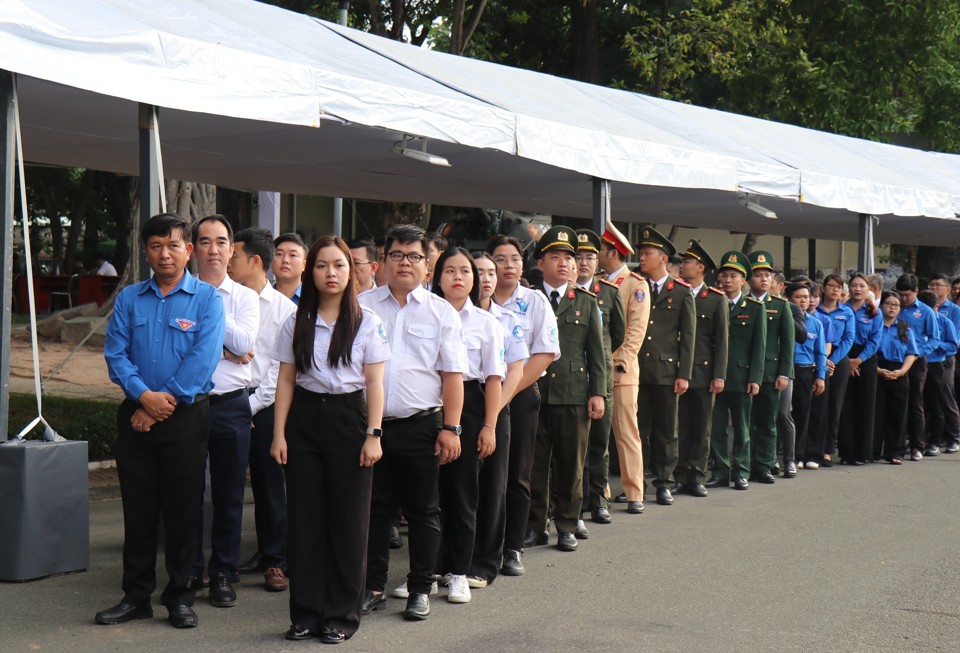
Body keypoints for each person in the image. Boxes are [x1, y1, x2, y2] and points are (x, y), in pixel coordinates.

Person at [98, 212, 224, 629]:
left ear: (188, 250)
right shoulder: (131, 298)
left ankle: (180, 596)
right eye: (156, 246)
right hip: (135, 414)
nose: (164, 253)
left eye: (173, 245)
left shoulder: (207, 299)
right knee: (138, 510)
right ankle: (135, 596)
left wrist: (158, 406)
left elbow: (202, 360)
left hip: (185, 416)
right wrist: (143, 397)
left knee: (183, 510)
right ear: (146, 251)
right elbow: (116, 354)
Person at [269, 235, 388, 643]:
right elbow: (286, 378)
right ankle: (305, 613)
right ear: (311, 271)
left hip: (349, 421)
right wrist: (279, 433)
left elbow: (376, 383)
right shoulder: (296, 321)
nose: (331, 273)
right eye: (322, 265)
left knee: (348, 522)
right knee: (305, 522)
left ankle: (341, 615)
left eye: (339, 265)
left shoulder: (367, 322)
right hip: (304, 420)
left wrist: (374, 434)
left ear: (351, 271)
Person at [360, 225, 468, 621]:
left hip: (421, 425)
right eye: (397, 255)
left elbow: (452, 375)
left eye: (414, 256)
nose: (405, 262)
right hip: (370, 426)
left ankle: (420, 587)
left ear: (428, 265)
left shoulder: (440, 312)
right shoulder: (362, 305)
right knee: (374, 508)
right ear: (382, 261)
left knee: (424, 511)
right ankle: (372, 586)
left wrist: (451, 428)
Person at [190, 215, 260, 608]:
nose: (213, 250)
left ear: (232, 249)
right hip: (189, 404)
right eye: (205, 242)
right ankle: (189, 568)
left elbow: (245, 340)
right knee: (188, 492)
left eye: (221, 242)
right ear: (193, 248)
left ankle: (223, 572)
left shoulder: (246, 297)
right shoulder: (180, 292)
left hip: (232, 404)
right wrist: (228, 350)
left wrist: (210, 308)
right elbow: (181, 348)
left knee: (230, 494)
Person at [524, 226, 606, 552]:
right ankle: (535, 526)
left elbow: (596, 353)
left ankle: (568, 525)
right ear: (540, 263)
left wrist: (598, 393)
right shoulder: (529, 299)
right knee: (535, 465)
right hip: (534, 391)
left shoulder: (585, 302)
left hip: (573, 393)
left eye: (567, 257)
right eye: (554, 256)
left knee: (571, 464)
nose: (562, 263)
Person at [432, 247, 505, 603]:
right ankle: (429, 571)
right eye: (449, 270)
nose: (458, 277)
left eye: (465, 271)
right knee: (428, 495)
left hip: (471, 405)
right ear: (438, 277)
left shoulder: (486, 323)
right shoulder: (427, 314)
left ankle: (459, 571)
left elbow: (493, 379)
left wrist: (489, 426)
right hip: (428, 405)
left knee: (462, 494)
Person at [227, 228, 297, 591]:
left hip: (265, 403)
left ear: (256, 261)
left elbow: (281, 370)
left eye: (233, 255)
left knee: (270, 485)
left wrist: (250, 407)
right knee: (228, 484)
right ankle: (226, 560)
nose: (226, 260)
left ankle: (276, 560)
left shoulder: (285, 309)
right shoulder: (224, 300)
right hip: (226, 398)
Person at [487, 234, 559, 576]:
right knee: (484, 474)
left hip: (519, 395)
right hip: (480, 398)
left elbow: (544, 353)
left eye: (515, 259)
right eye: (501, 259)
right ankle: (482, 545)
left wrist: (508, 392)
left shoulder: (535, 301)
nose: (509, 266)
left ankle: (512, 546)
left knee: (517, 472)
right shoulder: (475, 302)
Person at [468, 252, 527, 588]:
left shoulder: (507, 319)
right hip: (456, 404)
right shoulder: (448, 314)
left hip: (495, 402)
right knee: (456, 487)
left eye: (492, 272)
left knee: (493, 486)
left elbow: (516, 369)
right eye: (481, 272)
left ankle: (485, 561)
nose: (488, 278)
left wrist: (492, 412)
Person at [635, 227, 695, 505]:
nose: (641, 257)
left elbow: (688, 338)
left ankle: (664, 482)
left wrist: (684, 374)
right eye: (642, 252)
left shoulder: (681, 292)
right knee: (637, 430)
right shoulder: (635, 285)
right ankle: (637, 482)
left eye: (647, 253)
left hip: (666, 371)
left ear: (662, 259)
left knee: (666, 430)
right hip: (637, 369)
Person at [597, 222, 650, 516]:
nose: (596, 256)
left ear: (612, 252)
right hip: (599, 369)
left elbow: (635, 332)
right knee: (599, 437)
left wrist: (620, 363)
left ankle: (634, 492)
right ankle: (600, 491)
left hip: (621, 372)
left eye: (600, 251)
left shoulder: (635, 285)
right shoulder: (597, 281)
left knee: (627, 433)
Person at [574, 229, 624, 535]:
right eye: (577, 257)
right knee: (571, 446)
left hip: (600, 378)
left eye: (590, 257)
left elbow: (616, 334)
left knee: (599, 443)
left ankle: (598, 500)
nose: (583, 263)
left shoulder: (609, 292)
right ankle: (572, 502)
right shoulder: (562, 291)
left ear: (598, 262)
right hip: (571, 377)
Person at [708, 252, 765, 490]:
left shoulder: (753, 307)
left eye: (733, 276)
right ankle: (720, 470)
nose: (727, 280)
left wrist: (755, 377)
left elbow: (759, 346)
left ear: (743, 280)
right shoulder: (713, 301)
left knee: (742, 427)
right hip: (714, 375)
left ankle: (741, 470)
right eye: (724, 275)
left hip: (741, 376)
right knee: (716, 426)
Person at [675, 240, 727, 497]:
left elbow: (721, 341)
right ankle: (679, 474)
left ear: (701, 267)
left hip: (703, 372)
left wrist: (719, 375)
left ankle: (697, 475)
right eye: (682, 261)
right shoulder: (676, 293)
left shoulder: (715, 299)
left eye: (687, 262)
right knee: (678, 427)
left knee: (701, 427)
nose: (682, 265)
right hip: (676, 372)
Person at [746, 251, 794, 484]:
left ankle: (764, 464)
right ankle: (744, 464)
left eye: (768, 275)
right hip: (744, 371)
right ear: (749, 278)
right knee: (745, 421)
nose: (764, 279)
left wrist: (784, 373)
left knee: (767, 421)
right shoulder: (741, 304)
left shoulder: (780, 306)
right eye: (758, 275)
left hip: (770, 373)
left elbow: (787, 343)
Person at [807, 274, 855, 467]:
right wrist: (822, 361)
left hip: (838, 359)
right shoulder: (814, 309)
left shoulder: (847, 312)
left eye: (838, 287)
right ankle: (813, 448)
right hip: (816, 357)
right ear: (823, 288)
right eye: (831, 286)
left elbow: (848, 339)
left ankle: (828, 450)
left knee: (835, 405)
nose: (835, 290)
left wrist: (831, 360)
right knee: (819, 405)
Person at [839, 273, 882, 465]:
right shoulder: (841, 309)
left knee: (866, 405)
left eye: (862, 286)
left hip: (866, 359)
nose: (857, 289)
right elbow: (838, 337)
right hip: (843, 357)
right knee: (846, 404)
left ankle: (863, 452)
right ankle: (846, 451)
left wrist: (858, 360)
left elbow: (875, 340)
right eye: (853, 285)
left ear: (869, 290)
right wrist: (847, 360)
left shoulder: (874, 312)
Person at [896, 273, 939, 461]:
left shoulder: (926, 311)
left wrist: (916, 354)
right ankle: (895, 444)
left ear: (916, 292)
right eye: (901, 294)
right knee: (896, 402)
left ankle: (917, 445)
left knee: (915, 403)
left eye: (907, 295)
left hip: (916, 361)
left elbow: (934, 339)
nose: (903, 299)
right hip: (893, 358)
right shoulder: (893, 307)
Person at [785, 283, 826, 470]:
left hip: (805, 371)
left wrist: (820, 376)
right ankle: (784, 453)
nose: (804, 301)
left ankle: (798, 455)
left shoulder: (816, 323)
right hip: (785, 369)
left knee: (802, 413)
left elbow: (820, 353)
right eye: (798, 297)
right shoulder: (783, 317)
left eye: (806, 297)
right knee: (783, 414)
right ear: (789, 299)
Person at [874, 291, 919, 464]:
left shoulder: (904, 327)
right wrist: (878, 370)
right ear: (881, 305)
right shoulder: (875, 325)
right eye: (889, 304)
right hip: (877, 368)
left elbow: (912, 353)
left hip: (899, 371)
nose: (893, 307)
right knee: (876, 411)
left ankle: (895, 452)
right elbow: (869, 350)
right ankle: (874, 449)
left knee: (898, 413)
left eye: (896, 305)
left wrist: (901, 371)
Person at [919, 289, 959, 457]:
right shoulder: (917, 321)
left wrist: (936, 345)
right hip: (917, 364)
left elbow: (952, 346)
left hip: (937, 364)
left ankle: (939, 440)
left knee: (938, 404)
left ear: (937, 306)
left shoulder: (944, 322)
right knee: (919, 404)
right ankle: (919, 439)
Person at [928, 273, 960, 454]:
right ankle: (930, 437)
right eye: (931, 284)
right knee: (926, 400)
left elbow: (954, 340)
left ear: (947, 289)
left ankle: (954, 436)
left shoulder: (954, 311)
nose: (933, 288)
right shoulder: (925, 307)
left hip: (944, 359)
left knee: (946, 397)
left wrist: (932, 343)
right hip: (925, 359)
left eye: (937, 285)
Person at [272, 233, 307, 304]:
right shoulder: (258, 299)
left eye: (293, 255)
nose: (285, 260)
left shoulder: (314, 301)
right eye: (279, 254)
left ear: (304, 265)